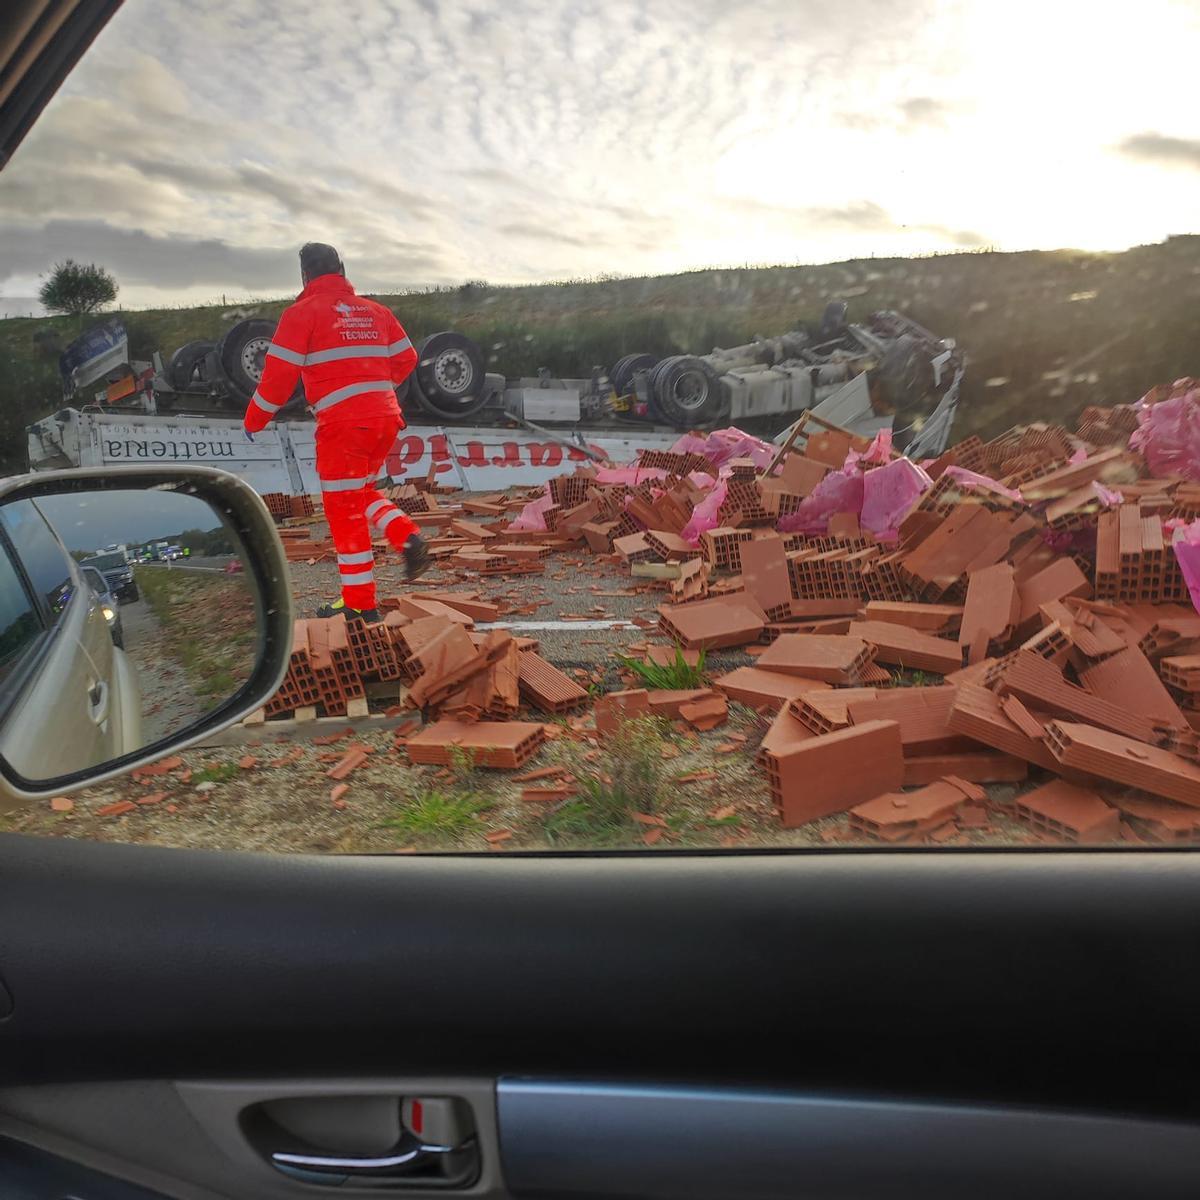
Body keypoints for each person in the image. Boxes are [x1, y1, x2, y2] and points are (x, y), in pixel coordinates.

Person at [243, 242, 430, 620]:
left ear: (304, 275)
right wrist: (372, 387)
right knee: (360, 493)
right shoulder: (377, 312)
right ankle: (405, 535)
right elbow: (408, 358)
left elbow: (278, 379)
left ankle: (361, 605)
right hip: (385, 419)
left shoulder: (302, 314)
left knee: (343, 510)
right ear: (341, 269)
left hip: (344, 425)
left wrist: (254, 420)